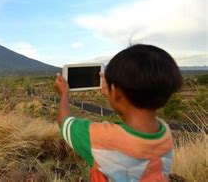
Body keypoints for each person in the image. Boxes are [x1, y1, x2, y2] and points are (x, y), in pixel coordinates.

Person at [54, 44, 182, 181]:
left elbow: (64, 122)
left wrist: (64, 94)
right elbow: (130, 110)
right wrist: (113, 94)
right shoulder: (165, 134)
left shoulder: (101, 137)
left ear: (117, 92)